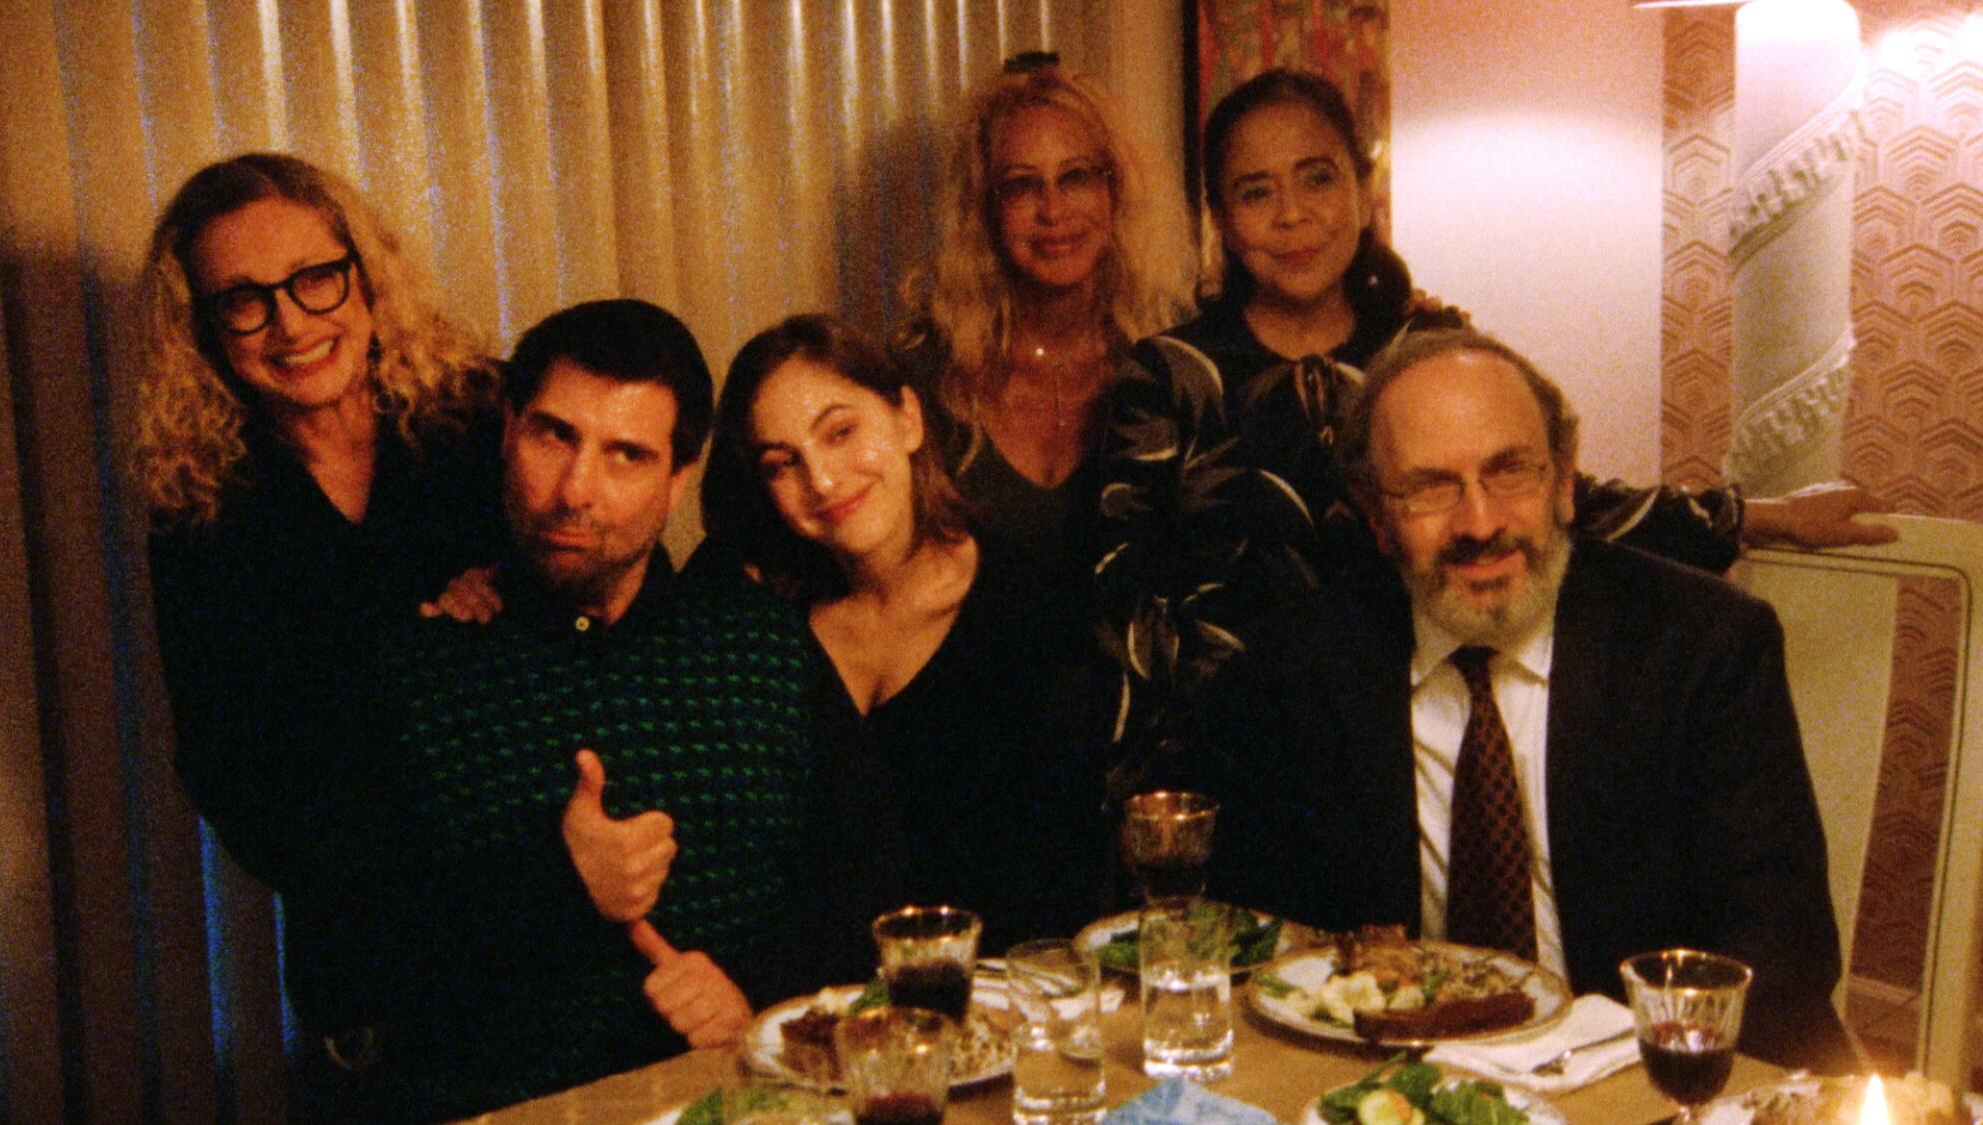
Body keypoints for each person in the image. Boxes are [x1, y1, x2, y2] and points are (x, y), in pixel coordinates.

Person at [1095, 68, 1893, 783]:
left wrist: (1762, 515)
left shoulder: (1427, 349)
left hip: (1404, 748)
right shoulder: (1170, 375)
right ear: (1221, 219)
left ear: (1364, 189)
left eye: (1318, 177)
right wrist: (1153, 785)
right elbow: (1121, 590)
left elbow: (1545, 500)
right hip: (1222, 760)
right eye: (1256, 190)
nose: (1294, 214)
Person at [1193, 328, 1855, 1071]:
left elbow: (1781, 964)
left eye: (1511, 472)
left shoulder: (1703, 647)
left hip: (1647, 1081)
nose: (1480, 523)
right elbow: (1269, 955)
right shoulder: (1299, 667)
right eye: (1431, 487)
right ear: (1376, 516)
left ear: (1566, 479)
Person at [365, 300, 822, 1120]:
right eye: (555, 436)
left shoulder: (763, 643)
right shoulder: (420, 665)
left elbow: (866, 876)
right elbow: (348, 964)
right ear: (507, 429)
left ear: (679, 477)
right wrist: (558, 883)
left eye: (627, 455)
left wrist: (753, 989)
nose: (577, 490)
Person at [132, 153, 501, 1106]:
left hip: (570, 950)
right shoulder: (201, 508)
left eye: (313, 279)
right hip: (375, 989)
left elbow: (613, 616)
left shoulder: (484, 418)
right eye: (244, 300)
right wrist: (419, 655)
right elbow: (230, 773)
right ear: (205, 332)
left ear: (365, 278)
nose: (291, 322)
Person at [700, 313, 1106, 960]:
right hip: (818, 1015)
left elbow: (1067, 878)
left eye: (840, 431)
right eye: (783, 464)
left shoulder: (1035, 604)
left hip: (1002, 1007)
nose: (823, 481)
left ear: (908, 420)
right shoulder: (763, 616)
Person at [898, 52, 1190, 574]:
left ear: (1114, 190)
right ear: (986, 209)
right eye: (1021, 184)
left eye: (1076, 177)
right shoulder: (923, 375)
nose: (1053, 211)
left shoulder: (1179, 359)